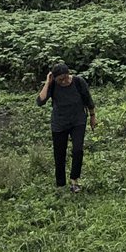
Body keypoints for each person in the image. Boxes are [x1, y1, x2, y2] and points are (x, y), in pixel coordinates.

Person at [38, 62, 95, 192]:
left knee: (77, 150)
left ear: (69, 74)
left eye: (65, 78)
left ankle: (74, 181)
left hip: (78, 121)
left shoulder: (78, 82)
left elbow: (88, 100)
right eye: (60, 79)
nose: (63, 81)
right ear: (54, 78)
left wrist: (92, 116)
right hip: (59, 123)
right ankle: (60, 184)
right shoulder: (52, 85)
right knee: (59, 154)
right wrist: (48, 82)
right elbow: (40, 101)